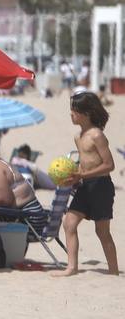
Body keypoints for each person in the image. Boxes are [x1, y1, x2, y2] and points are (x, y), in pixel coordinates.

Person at [57, 89, 118, 276]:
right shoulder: (78, 137)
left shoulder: (97, 136)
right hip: (85, 187)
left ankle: (114, 271)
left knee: (102, 231)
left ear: (87, 113)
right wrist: (75, 175)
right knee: (69, 223)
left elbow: (109, 165)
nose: (71, 114)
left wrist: (82, 176)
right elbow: (85, 163)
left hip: (101, 187)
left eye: (74, 110)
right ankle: (72, 267)